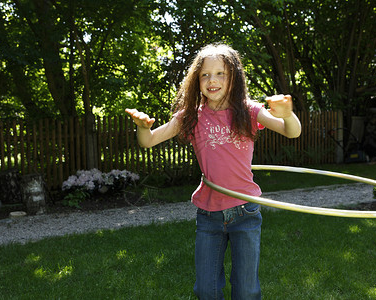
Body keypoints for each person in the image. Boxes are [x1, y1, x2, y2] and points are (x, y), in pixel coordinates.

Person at [125, 43, 301, 300]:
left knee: (246, 290)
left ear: (234, 78)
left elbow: (291, 131)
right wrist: (142, 127)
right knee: (206, 290)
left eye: (221, 73)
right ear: (196, 80)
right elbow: (148, 140)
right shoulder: (190, 116)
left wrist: (288, 115)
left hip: (246, 211)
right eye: (205, 74)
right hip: (209, 214)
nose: (212, 80)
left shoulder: (249, 111)